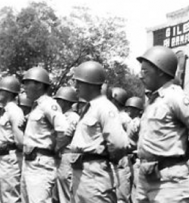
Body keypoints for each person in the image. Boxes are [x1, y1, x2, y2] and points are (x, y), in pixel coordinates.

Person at [135, 46, 189, 202]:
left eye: (145, 71)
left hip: (170, 182)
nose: (140, 76)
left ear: (160, 70)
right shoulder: (153, 101)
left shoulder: (175, 97)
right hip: (147, 178)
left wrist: (185, 153)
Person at [68, 61, 130, 203]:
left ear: (90, 83)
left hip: (94, 175)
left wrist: (105, 160)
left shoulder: (105, 107)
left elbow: (119, 144)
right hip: (82, 173)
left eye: (79, 83)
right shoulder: (89, 108)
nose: (76, 87)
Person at [21, 67, 69, 203]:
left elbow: (64, 131)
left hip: (41, 164)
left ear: (40, 85)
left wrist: (54, 150)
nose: (24, 87)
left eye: (27, 83)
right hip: (29, 163)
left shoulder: (49, 104)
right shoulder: (36, 106)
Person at [0, 76, 25, 203]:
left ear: (8, 92)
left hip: (10, 158)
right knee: (1, 196)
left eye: (1, 91)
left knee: (10, 197)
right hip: (3, 158)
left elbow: (20, 141)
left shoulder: (15, 111)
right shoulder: (6, 111)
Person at [53, 86, 80, 203]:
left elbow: (65, 138)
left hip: (67, 155)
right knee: (56, 192)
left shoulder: (73, 117)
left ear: (64, 102)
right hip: (59, 156)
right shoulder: (62, 116)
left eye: (58, 100)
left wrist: (54, 148)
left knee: (65, 191)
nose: (56, 103)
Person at [109, 87, 135, 203]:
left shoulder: (124, 118)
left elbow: (131, 141)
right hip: (110, 160)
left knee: (121, 198)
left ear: (115, 100)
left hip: (121, 161)